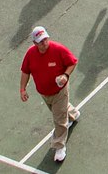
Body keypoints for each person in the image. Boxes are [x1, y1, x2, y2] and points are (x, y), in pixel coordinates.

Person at [18, 26, 78, 165]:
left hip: (60, 91)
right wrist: (22, 89)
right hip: (44, 93)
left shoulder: (58, 49)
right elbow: (25, 71)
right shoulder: (30, 54)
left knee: (59, 119)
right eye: (40, 41)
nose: (44, 43)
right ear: (34, 43)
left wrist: (65, 75)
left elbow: (72, 62)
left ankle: (59, 147)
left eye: (45, 39)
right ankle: (74, 113)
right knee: (60, 112)